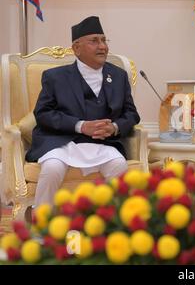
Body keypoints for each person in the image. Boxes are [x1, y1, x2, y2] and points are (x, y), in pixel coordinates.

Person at [26, 16, 141, 207]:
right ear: (76, 48)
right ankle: (42, 226)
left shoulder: (118, 76)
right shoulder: (55, 77)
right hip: (62, 142)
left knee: (119, 166)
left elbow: (131, 114)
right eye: (94, 41)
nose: (102, 46)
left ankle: (113, 225)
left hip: (103, 144)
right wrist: (81, 126)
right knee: (52, 168)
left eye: (104, 40)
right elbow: (43, 114)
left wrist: (113, 128)